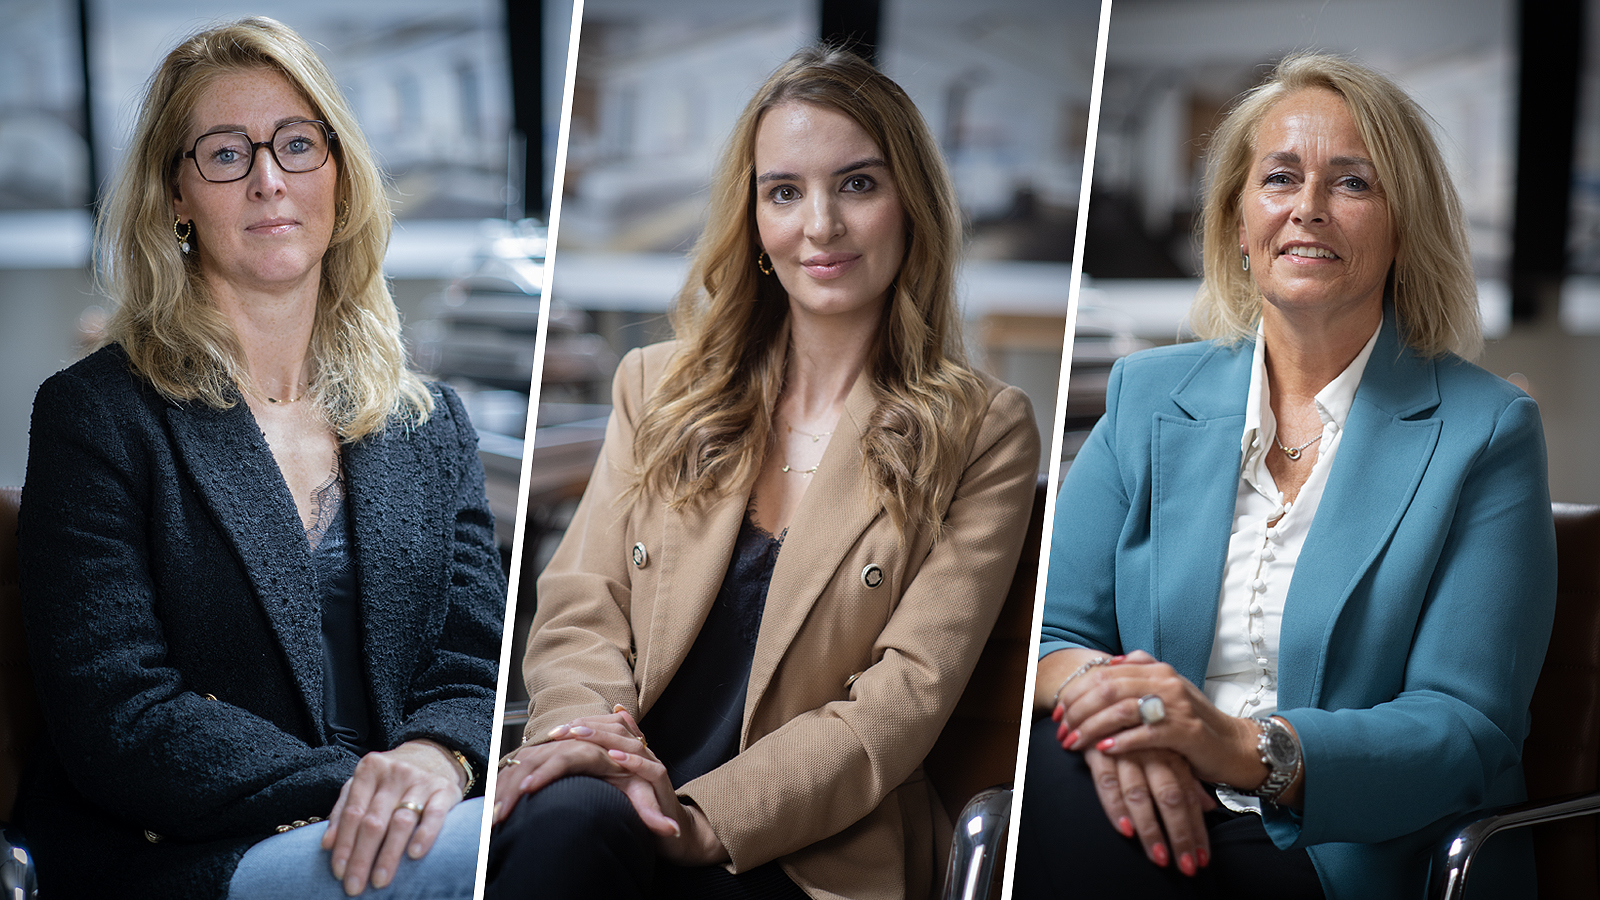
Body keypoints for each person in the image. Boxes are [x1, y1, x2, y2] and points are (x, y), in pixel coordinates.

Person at [485, 45, 1040, 900]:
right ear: (753, 222)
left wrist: (703, 821)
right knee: (557, 827)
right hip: (619, 797)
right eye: (785, 191)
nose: (820, 225)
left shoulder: (982, 431)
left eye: (857, 183)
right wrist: (595, 745)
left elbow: (900, 703)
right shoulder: (655, 386)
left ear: (910, 206)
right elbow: (579, 606)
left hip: (805, 847)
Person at [1016, 52, 1556, 900]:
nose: (1307, 209)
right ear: (1237, 219)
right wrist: (1133, 718)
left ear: (1403, 226)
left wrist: (1241, 747)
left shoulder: (1486, 431)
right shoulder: (1148, 395)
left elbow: (1466, 728)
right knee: (1055, 779)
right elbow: (1049, 636)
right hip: (1149, 801)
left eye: (1352, 184)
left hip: (1338, 850)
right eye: (1279, 177)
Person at [15, 17, 503, 900]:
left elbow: (475, 661)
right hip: (194, 853)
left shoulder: (430, 424)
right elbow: (120, 714)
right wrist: (366, 793)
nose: (270, 180)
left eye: (296, 144)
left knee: (579, 822)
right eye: (227, 155)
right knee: (489, 860)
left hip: (423, 820)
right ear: (175, 196)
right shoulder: (96, 418)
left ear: (340, 175)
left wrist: (436, 757)